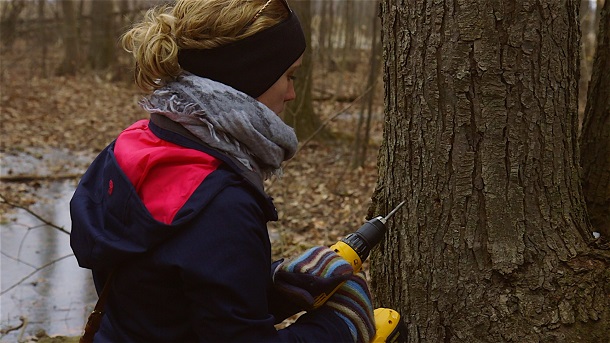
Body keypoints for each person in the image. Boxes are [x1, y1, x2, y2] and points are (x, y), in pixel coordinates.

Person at [70, 0, 376, 342]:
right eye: (288, 76)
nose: (291, 94)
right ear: (248, 76)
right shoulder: (221, 204)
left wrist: (275, 284)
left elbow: (163, 297)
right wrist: (342, 326)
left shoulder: (133, 149)